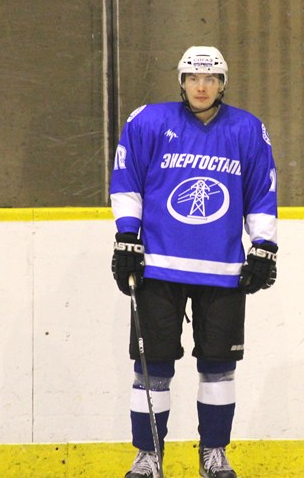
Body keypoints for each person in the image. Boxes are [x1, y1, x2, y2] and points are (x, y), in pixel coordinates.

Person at [110, 45, 278, 478]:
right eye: (193, 78)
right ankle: (148, 456)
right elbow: (127, 181)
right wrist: (127, 236)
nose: (201, 86)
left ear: (223, 84)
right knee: (152, 368)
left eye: (211, 79)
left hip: (222, 271)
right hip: (158, 267)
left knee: (219, 368)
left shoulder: (247, 129)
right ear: (181, 82)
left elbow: (261, 192)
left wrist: (264, 245)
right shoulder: (148, 121)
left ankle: (214, 452)